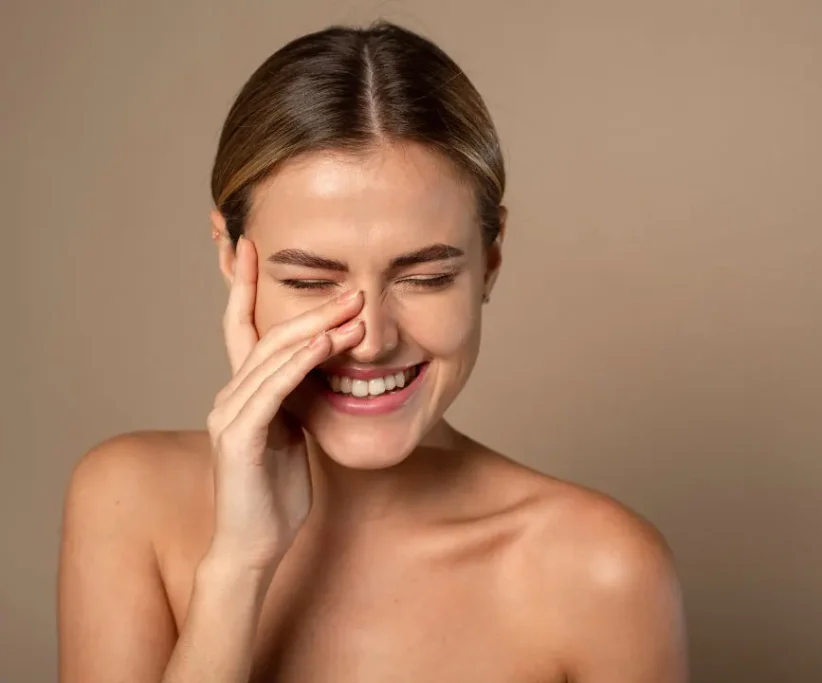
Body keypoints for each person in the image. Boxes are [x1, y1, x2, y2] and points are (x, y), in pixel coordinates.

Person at [57, 20, 688, 683]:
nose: (372, 338)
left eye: (425, 277)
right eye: (310, 281)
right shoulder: (127, 502)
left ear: (491, 259)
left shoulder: (600, 570)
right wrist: (238, 567)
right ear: (229, 256)